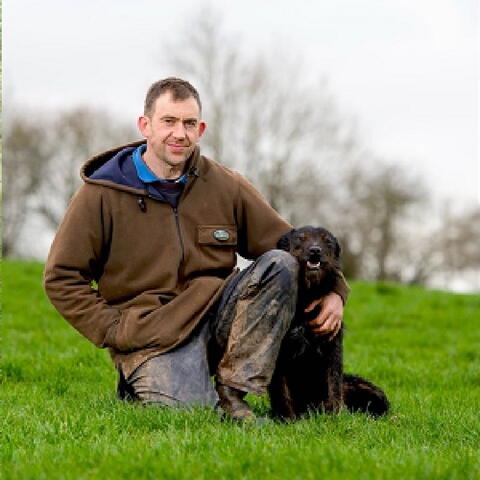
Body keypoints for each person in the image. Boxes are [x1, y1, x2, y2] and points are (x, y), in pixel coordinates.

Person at [44, 77, 349, 421]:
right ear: (145, 125)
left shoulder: (225, 184)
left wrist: (336, 291)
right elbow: (61, 278)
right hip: (154, 335)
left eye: (189, 123)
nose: (180, 133)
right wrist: (115, 329)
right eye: (169, 121)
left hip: (219, 313)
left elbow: (291, 245)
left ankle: (234, 392)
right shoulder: (100, 194)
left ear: (200, 129)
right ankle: (143, 382)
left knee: (279, 264)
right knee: (193, 415)